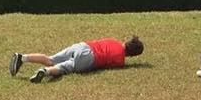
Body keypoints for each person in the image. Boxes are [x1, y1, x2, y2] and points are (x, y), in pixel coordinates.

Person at [10, 36, 144, 83]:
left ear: (127, 42)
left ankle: (23, 58)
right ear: (132, 55)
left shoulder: (113, 41)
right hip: (90, 57)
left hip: (83, 46)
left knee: (51, 59)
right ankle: (45, 71)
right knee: (65, 67)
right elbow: (106, 65)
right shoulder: (120, 61)